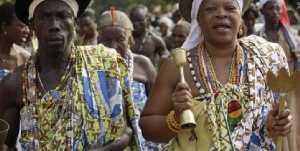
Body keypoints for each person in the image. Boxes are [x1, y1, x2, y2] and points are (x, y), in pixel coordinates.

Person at [139, 0, 293, 150]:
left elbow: (269, 126)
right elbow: (147, 128)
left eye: (230, 8)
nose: (221, 14)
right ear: (198, 19)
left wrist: (274, 125)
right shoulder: (178, 67)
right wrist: (176, 118)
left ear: (240, 18)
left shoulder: (263, 59)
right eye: (211, 9)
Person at [0, 0, 138, 150]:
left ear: (75, 22)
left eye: (63, 16)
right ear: (32, 25)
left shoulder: (104, 65)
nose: (54, 25)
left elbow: (125, 130)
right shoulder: (15, 83)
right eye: (44, 17)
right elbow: (6, 144)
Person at [98, 9, 162, 150]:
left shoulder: (142, 64)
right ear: (99, 40)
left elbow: (159, 107)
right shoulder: (90, 68)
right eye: (107, 40)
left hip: (144, 143)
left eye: (120, 39)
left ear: (129, 39)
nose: (113, 46)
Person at [257, 0, 300, 150]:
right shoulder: (258, 39)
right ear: (262, 11)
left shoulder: (293, 37)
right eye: (270, 8)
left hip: (291, 92)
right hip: (268, 89)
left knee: (291, 125)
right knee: (271, 125)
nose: (275, 12)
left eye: (277, 8)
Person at [0, 2, 31, 81]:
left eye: (27, 26)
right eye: (22, 26)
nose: (27, 31)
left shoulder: (25, 58)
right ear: (5, 27)